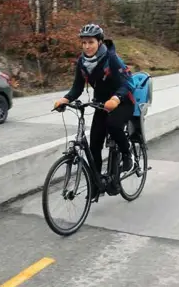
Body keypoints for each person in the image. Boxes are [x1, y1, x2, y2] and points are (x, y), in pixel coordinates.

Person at [54, 23, 136, 182]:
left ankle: (128, 155)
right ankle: (96, 183)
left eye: (90, 42)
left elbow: (128, 83)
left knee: (113, 125)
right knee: (94, 145)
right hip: (101, 105)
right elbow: (77, 88)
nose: (87, 46)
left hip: (123, 102)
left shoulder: (111, 59)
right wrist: (65, 99)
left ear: (99, 42)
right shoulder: (82, 62)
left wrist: (116, 98)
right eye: (83, 43)